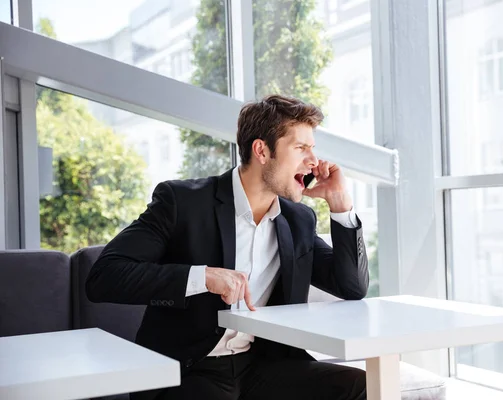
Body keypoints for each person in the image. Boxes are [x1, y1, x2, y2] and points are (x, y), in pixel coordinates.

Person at [86, 94, 369, 400]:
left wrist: (340, 205)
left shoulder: (297, 220)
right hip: (190, 369)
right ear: (262, 150)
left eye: (312, 149)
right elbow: (104, 277)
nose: (314, 161)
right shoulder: (183, 202)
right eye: (301, 148)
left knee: (360, 387)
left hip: (263, 366)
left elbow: (351, 286)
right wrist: (203, 277)